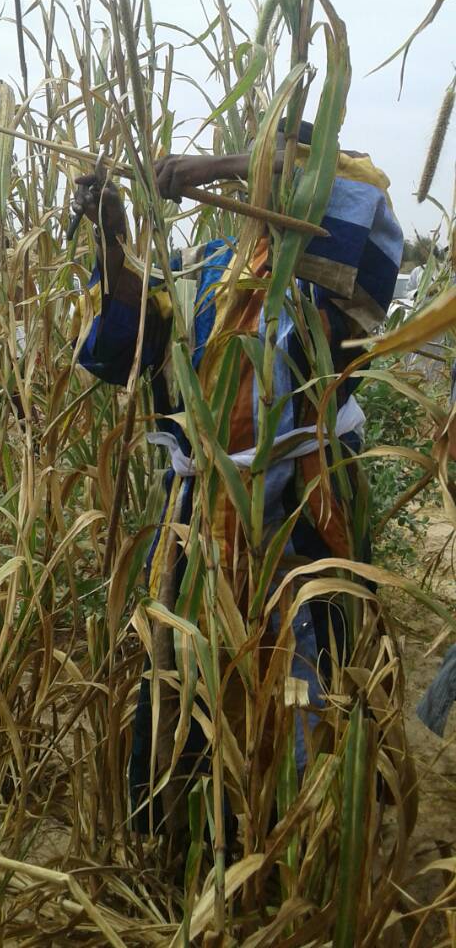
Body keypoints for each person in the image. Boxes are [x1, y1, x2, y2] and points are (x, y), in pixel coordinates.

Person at [70, 122, 404, 840]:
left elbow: (355, 200)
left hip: (304, 527)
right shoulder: (215, 267)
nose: (266, 177)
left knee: (305, 688)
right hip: (202, 532)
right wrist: (109, 237)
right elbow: (137, 332)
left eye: (280, 163)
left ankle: (305, 849)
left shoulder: (328, 273)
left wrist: (218, 166)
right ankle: (196, 846)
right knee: (195, 689)